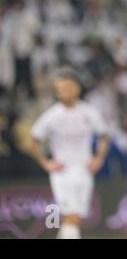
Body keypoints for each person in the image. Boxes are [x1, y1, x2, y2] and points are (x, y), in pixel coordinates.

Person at [27, 67, 109, 239]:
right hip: (62, 171)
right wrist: (46, 162)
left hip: (84, 169)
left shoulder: (89, 112)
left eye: (68, 88)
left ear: (77, 88)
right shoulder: (51, 116)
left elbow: (103, 136)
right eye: (61, 89)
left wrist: (98, 158)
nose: (65, 92)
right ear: (57, 92)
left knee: (76, 217)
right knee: (71, 215)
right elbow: (32, 143)